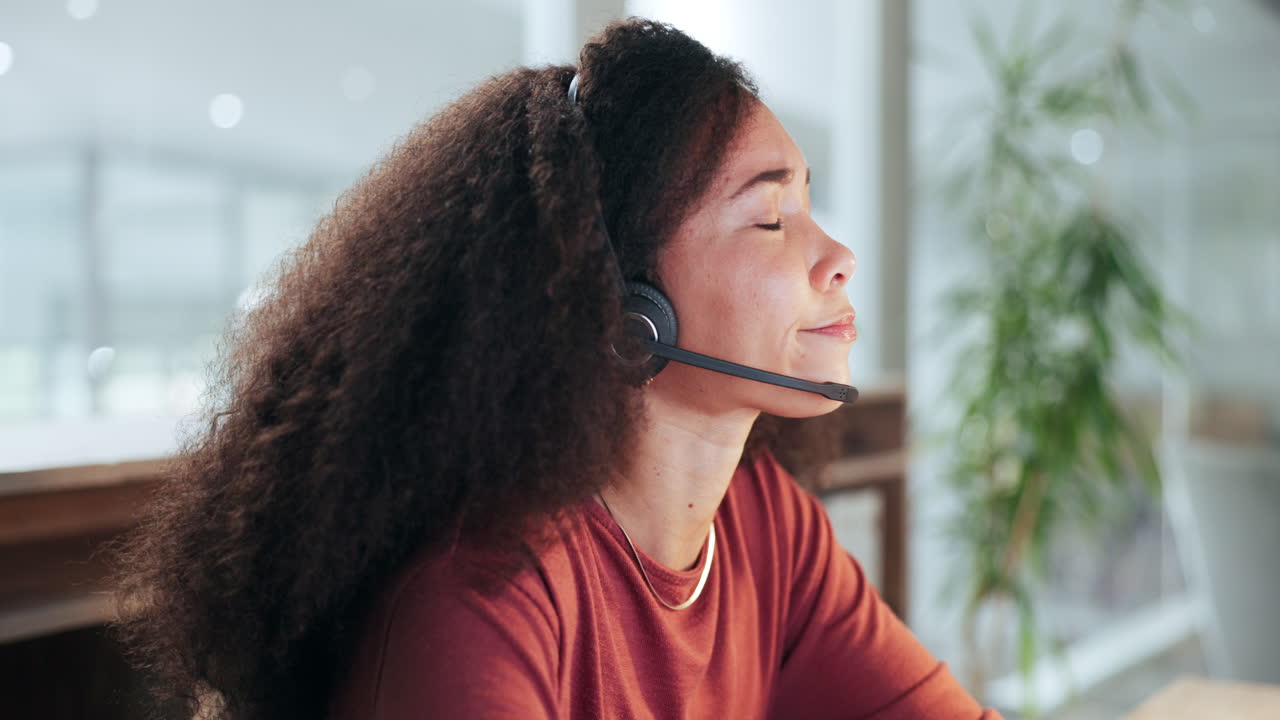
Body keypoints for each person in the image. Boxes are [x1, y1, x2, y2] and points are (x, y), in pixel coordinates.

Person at [110, 18, 1003, 720]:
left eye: (810, 203)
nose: (837, 254)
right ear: (622, 307)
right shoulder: (480, 597)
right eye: (771, 219)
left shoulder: (763, 523)